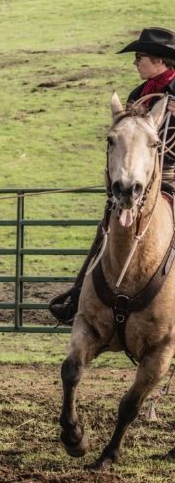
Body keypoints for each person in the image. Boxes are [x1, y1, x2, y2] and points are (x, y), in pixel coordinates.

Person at [49, 27, 175, 324]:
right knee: (106, 230)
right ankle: (79, 295)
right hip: (139, 176)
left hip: (173, 172)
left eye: (140, 57)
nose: (135, 63)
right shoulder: (136, 95)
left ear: (159, 60)